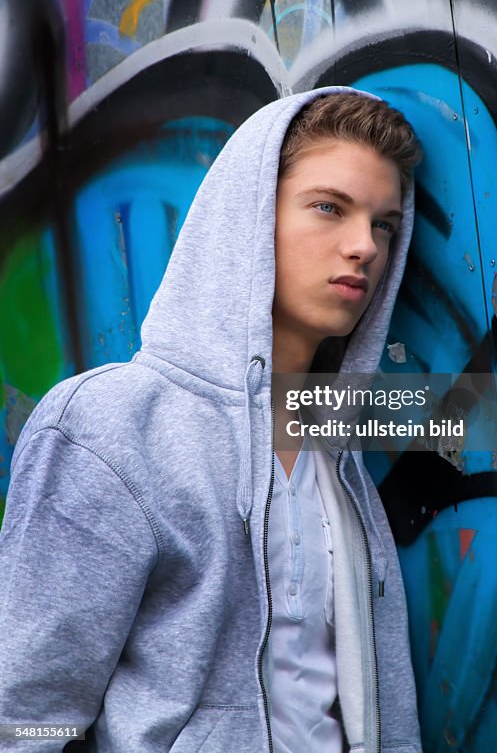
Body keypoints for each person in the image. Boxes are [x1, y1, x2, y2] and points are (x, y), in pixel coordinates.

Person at [0, 85, 423, 753]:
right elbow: (23, 714)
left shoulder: (342, 463)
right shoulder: (112, 426)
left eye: (384, 225)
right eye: (328, 208)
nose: (363, 246)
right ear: (250, 218)